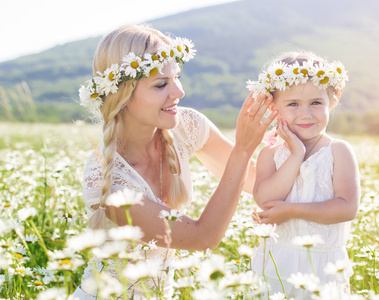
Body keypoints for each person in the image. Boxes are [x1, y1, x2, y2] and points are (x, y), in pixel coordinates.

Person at [73, 24, 276, 299]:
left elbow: (256, 181)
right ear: (122, 94)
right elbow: (203, 237)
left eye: (177, 77)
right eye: (161, 84)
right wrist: (242, 149)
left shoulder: (186, 126)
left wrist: (306, 144)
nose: (178, 92)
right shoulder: (107, 179)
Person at [247, 51, 360, 299]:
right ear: (273, 106)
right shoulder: (271, 154)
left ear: (333, 99)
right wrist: (295, 154)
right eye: (293, 104)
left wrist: (292, 210)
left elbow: (346, 208)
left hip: (324, 266)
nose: (305, 114)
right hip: (276, 263)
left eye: (316, 103)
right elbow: (265, 200)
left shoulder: (338, 151)